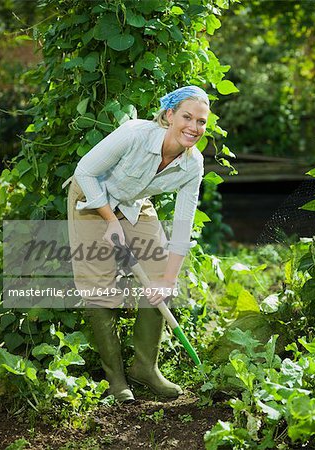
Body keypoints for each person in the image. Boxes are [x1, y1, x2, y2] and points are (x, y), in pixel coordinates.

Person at [66, 85, 210, 402]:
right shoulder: (135, 134)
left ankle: (145, 368)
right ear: (169, 115)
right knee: (99, 285)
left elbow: (184, 223)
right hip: (91, 198)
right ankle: (116, 379)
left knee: (161, 273)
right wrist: (110, 220)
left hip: (132, 202)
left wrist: (168, 280)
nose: (194, 127)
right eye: (187, 117)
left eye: (201, 121)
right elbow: (85, 171)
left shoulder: (193, 164)